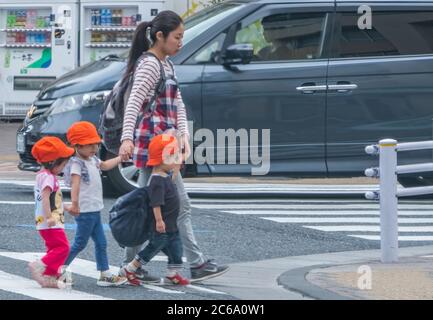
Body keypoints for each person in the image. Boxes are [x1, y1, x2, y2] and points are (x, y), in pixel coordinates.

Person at [119, 10, 229, 283]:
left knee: (143, 205)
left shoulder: (166, 64)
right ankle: (197, 263)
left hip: (165, 144)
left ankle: (130, 266)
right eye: (177, 37)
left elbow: (177, 103)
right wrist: (126, 138)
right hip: (156, 147)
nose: (181, 42)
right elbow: (133, 103)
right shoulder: (150, 65)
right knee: (180, 206)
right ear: (160, 36)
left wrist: (183, 136)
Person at [62, 121, 128, 287]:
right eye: (89, 145)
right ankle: (58, 268)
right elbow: (75, 185)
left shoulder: (92, 159)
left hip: (95, 209)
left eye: (96, 144)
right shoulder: (77, 163)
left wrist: (120, 158)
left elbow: (104, 166)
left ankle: (104, 274)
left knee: (101, 242)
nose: (94, 148)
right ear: (76, 146)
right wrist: (75, 205)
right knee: (80, 243)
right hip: (85, 211)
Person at [120, 133, 189, 285]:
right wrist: (158, 220)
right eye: (173, 157)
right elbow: (155, 203)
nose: (176, 160)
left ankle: (173, 273)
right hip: (161, 225)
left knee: (176, 249)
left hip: (170, 224)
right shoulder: (157, 180)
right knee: (153, 247)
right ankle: (131, 268)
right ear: (163, 159)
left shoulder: (166, 174)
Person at [28, 136, 75, 288]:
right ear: (53, 162)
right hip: (50, 221)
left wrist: (63, 207)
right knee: (63, 247)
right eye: (63, 164)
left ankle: (50, 276)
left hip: (43, 221)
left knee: (54, 248)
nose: (63, 168)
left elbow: (51, 199)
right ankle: (39, 266)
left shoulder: (42, 175)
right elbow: (46, 198)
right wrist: (49, 217)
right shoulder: (49, 178)